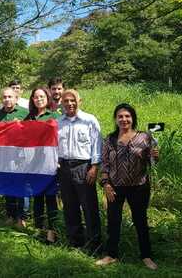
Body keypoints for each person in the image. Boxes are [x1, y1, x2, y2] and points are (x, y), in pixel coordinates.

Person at [96, 103, 159, 270]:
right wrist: (105, 184)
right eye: (120, 116)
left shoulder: (145, 137)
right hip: (115, 187)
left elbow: (152, 164)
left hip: (139, 186)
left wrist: (154, 156)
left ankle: (146, 256)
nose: (124, 119)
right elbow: (105, 164)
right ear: (116, 119)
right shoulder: (110, 139)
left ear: (133, 118)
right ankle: (111, 254)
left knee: (140, 221)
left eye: (127, 116)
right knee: (113, 221)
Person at [57, 89, 102, 253]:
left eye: (72, 100)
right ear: (61, 103)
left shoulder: (89, 120)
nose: (69, 103)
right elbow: (55, 145)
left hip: (84, 167)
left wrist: (95, 167)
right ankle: (75, 242)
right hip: (64, 168)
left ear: (79, 101)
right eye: (66, 101)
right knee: (70, 206)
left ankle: (94, 245)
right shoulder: (58, 122)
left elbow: (97, 145)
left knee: (89, 207)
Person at [25, 87, 61, 243]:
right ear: (32, 100)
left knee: (51, 198)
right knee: (37, 197)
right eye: (35, 97)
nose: (39, 99)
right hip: (34, 164)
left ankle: (52, 232)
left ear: (47, 98)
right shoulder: (29, 117)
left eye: (42, 96)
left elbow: (60, 139)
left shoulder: (54, 116)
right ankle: (40, 229)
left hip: (50, 164)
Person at [0, 87, 29, 227]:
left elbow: (30, 133)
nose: (7, 99)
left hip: (21, 155)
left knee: (20, 185)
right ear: (1, 99)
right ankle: (10, 214)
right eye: (4, 97)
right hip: (5, 155)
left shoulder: (24, 113)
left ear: (16, 98)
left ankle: (22, 217)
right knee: (8, 185)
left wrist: (19, 126)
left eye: (10, 97)